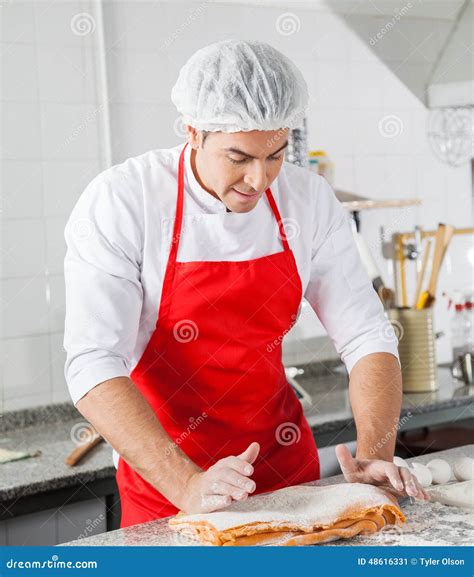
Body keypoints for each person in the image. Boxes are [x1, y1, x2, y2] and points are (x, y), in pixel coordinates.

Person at [64, 40, 428, 528]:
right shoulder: (124, 201)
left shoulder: (307, 199)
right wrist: (187, 485)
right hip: (169, 491)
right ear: (193, 132)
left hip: (291, 481)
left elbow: (366, 335)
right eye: (239, 156)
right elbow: (92, 362)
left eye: (275, 155)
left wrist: (376, 455)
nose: (259, 180)